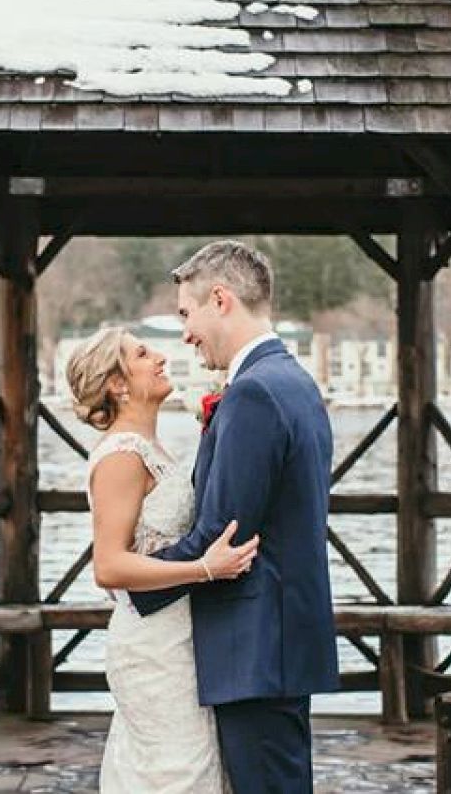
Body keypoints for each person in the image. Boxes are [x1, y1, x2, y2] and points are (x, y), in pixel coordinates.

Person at [131, 240, 340, 793]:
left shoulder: (254, 394)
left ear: (220, 299)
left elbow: (220, 535)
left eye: (186, 314)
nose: (184, 333)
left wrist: (133, 582)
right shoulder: (293, 382)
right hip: (279, 639)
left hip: (255, 647)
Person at [67, 325, 256, 793]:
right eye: (143, 353)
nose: (161, 358)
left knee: (195, 767)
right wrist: (205, 568)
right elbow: (108, 567)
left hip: (182, 636)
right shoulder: (122, 457)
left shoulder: (153, 450)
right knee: (176, 773)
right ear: (117, 382)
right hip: (153, 647)